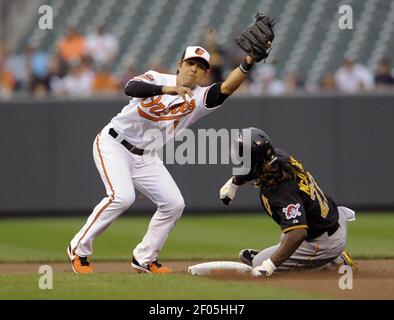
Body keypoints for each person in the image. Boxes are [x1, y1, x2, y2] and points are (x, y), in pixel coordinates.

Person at [66, 44, 271, 274]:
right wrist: (166, 89)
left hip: (146, 156)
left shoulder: (200, 98)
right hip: (114, 143)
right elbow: (130, 87)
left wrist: (248, 63)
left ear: (205, 74)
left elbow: (225, 88)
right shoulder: (156, 77)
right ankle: (78, 250)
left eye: (200, 67)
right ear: (179, 65)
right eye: (190, 63)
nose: (194, 69)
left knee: (174, 204)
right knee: (122, 197)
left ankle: (144, 258)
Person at [219, 127, 355, 277]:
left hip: (323, 242)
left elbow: (298, 233)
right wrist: (234, 182)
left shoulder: (279, 190)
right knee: (288, 230)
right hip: (330, 218)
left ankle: (335, 261)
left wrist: (269, 266)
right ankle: (278, 255)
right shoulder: (278, 157)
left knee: (260, 263)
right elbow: (255, 166)